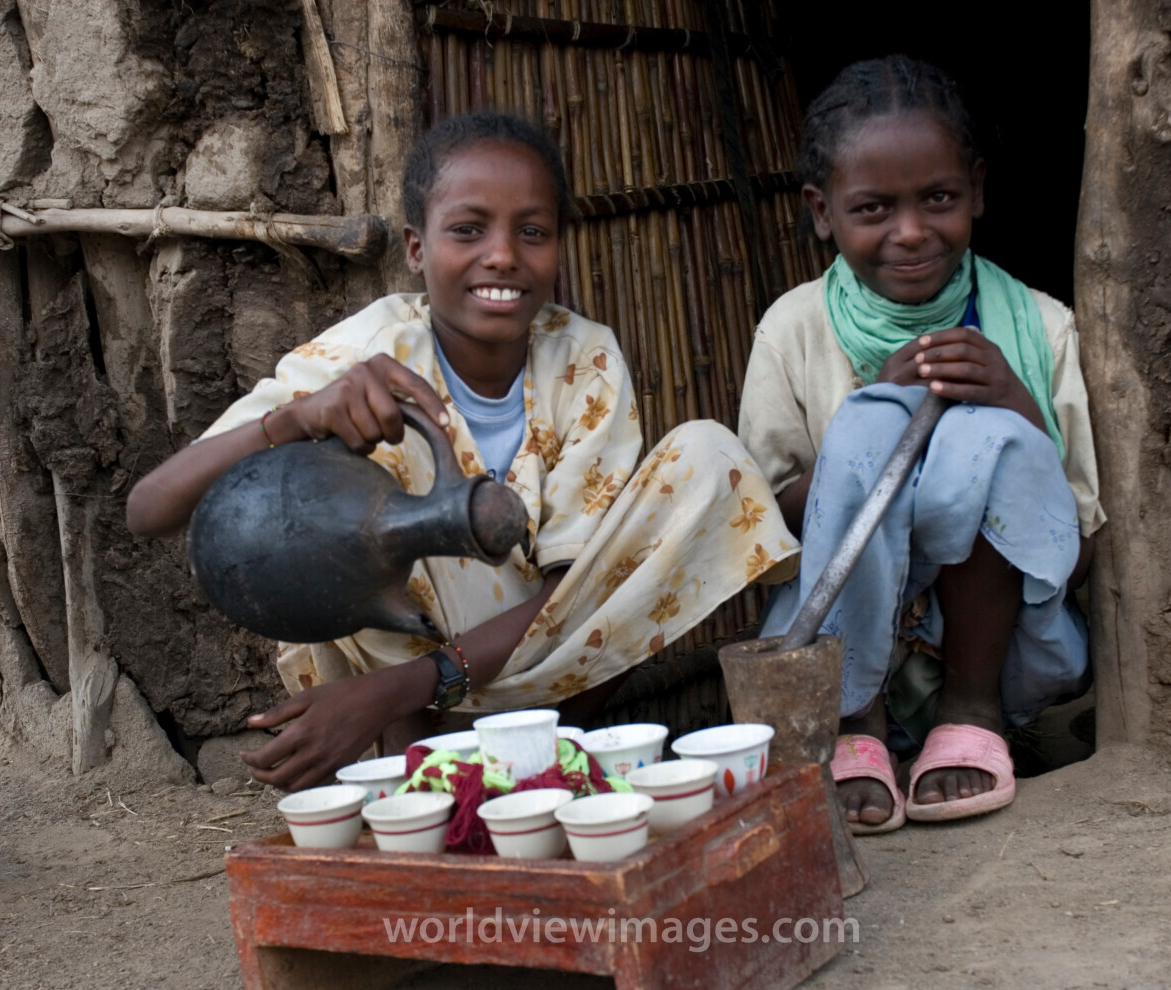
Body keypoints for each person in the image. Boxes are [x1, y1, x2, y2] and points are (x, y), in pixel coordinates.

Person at [127, 111, 797, 792]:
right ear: (417, 249)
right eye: (469, 230)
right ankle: (421, 772)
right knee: (364, 466)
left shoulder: (583, 357)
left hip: (526, 676)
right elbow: (148, 509)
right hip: (399, 696)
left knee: (709, 458)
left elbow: (582, 592)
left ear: (559, 247)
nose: (503, 254)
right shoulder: (368, 355)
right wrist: (300, 418)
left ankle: (544, 766)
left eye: (531, 232)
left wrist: (404, 686)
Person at [738, 57, 1104, 832]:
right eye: (873, 208)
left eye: (937, 198)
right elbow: (758, 543)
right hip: (829, 652)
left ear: (977, 189)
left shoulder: (1041, 327)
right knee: (871, 423)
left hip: (1008, 652)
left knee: (987, 429)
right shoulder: (793, 331)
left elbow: (1081, 550)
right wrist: (877, 426)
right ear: (821, 211)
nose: (910, 232)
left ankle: (972, 712)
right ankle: (855, 723)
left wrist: (1014, 405)